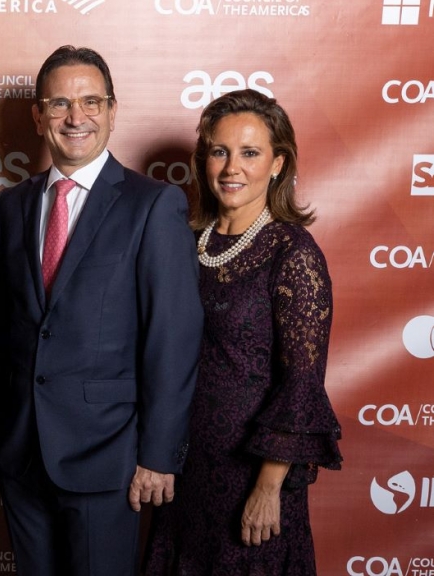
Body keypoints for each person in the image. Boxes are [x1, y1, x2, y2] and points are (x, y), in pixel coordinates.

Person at [0, 45, 203, 576]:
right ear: (38, 116)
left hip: (109, 458)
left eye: (90, 102)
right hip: (21, 453)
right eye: (59, 104)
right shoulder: (11, 206)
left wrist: (157, 454)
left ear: (111, 109)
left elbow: (172, 338)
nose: (75, 117)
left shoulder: (152, 205)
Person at [143, 89, 342, 575]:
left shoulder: (292, 254)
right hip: (185, 470)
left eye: (250, 153)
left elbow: (301, 386)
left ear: (278, 163)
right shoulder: (188, 242)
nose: (232, 168)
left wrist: (268, 488)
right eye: (219, 151)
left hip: (249, 477)